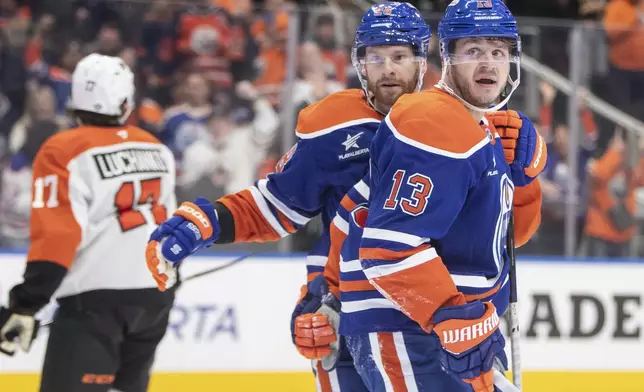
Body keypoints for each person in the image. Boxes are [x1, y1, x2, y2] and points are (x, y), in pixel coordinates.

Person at [145, 3, 431, 390]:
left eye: (399, 57)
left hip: (426, 313)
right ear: (359, 63)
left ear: (422, 61)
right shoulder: (334, 126)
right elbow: (276, 205)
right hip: (344, 309)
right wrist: (208, 222)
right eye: (375, 57)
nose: (388, 69)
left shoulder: (453, 126)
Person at [294, 1, 546, 391]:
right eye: (473, 52)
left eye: (498, 52)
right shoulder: (431, 120)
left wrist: (526, 181)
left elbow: (502, 240)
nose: (488, 64)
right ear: (445, 57)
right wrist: (451, 316)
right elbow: (388, 247)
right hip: (414, 329)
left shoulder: (484, 128)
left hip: (457, 327)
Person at [0, 53, 177, 392]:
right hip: (154, 301)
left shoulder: (62, 150)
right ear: (126, 101)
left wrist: (26, 303)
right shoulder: (156, 148)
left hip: (95, 304)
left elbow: (58, 237)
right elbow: (170, 227)